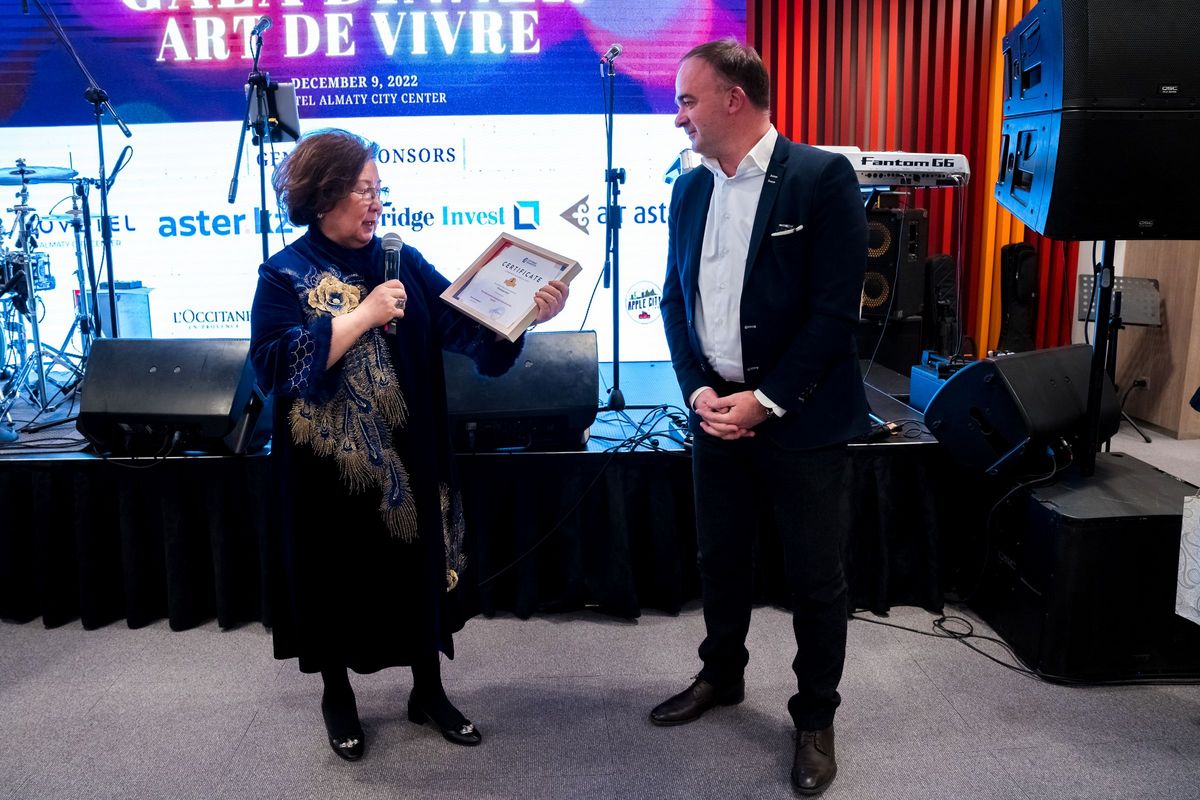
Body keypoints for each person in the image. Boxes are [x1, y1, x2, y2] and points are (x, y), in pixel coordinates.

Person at [250, 128, 568, 762]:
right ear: (323, 196)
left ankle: (428, 691)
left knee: (417, 573)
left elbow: (467, 329)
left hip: (411, 455)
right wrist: (362, 315)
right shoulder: (283, 272)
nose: (376, 203)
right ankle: (337, 695)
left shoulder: (403, 260)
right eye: (363, 190)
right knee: (333, 578)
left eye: (379, 190)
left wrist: (525, 316)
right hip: (327, 470)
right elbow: (274, 366)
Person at [653, 39, 869, 796]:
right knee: (720, 559)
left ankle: (814, 718)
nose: (679, 117)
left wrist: (767, 400)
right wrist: (696, 390)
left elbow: (836, 314)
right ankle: (722, 675)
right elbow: (675, 299)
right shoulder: (689, 190)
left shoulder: (821, 178)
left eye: (688, 100)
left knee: (815, 577)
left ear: (733, 99)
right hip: (714, 412)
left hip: (801, 418)